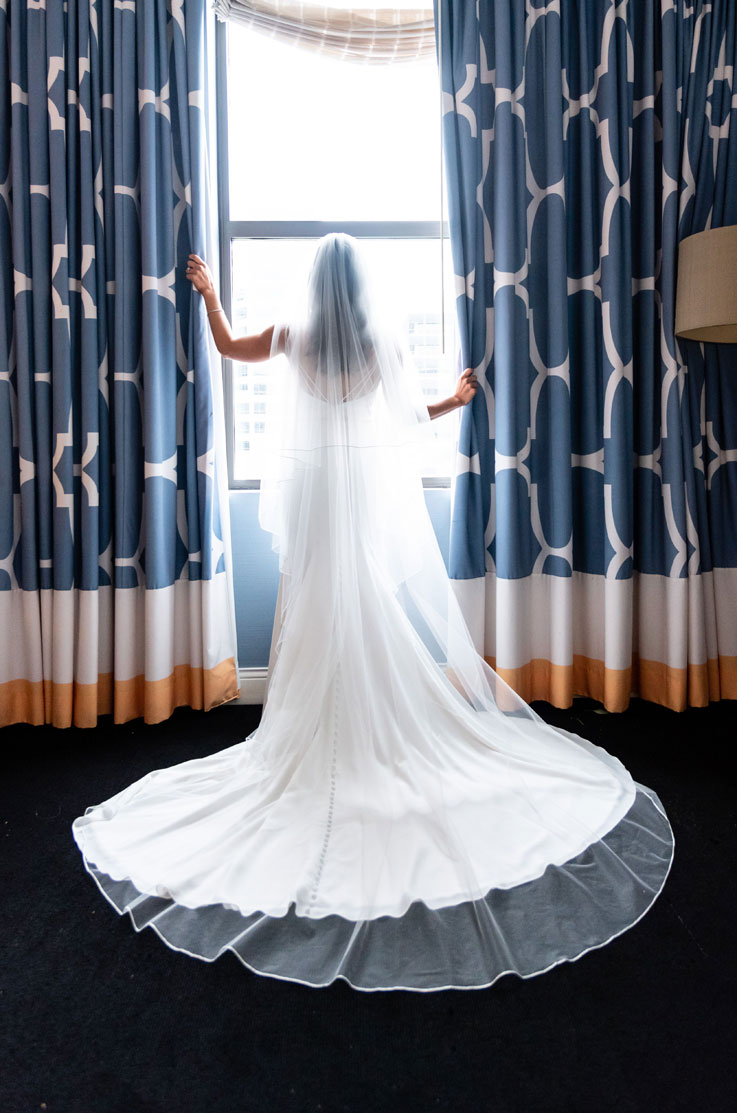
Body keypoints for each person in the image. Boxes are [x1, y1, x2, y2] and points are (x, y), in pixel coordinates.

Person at [71, 234, 674, 992]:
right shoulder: (378, 339)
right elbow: (405, 416)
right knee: (362, 603)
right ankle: (369, 725)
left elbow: (226, 348)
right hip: (356, 489)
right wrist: (454, 401)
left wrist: (210, 296)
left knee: (316, 606)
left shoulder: (292, 335)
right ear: (360, 286)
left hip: (316, 491)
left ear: (312, 283)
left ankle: (318, 727)